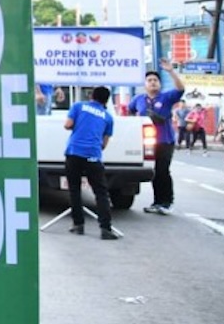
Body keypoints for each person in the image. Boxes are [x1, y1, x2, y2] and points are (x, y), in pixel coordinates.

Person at [128, 58, 186, 215]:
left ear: (159, 84)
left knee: (163, 170)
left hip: (165, 141)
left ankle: (167, 201)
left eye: (155, 80)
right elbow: (129, 112)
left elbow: (181, 89)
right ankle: (157, 202)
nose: (152, 82)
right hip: (146, 143)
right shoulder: (138, 100)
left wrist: (171, 71)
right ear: (145, 84)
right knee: (153, 172)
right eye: (149, 80)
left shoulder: (167, 97)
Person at [63, 86, 119, 240]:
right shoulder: (108, 117)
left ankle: (78, 225)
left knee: (74, 190)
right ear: (106, 100)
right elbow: (104, 144)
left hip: (74, 152)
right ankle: (105, 228)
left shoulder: (78, 106)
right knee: (101, 192)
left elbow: (67, 125)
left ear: (91, 96)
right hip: (93, 156)